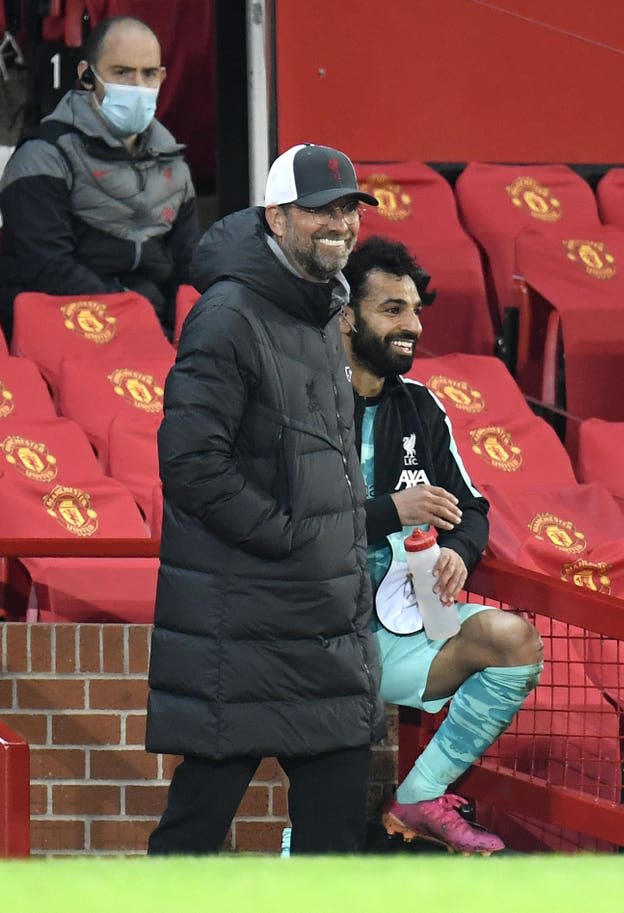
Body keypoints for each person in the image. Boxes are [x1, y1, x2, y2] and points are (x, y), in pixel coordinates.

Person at [145, 143, 386, 855]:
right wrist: (288, 535)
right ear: (277, 216)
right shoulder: (226, 315)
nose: (340, 223)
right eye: (321, 210)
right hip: (245, 624)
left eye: (348, 209)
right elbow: (190, 464)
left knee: (334, 841)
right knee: (194, 833)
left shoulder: (320, 310)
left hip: (321, 627)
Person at [340, 236, 544, 856]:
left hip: (407, 625)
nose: (412, 326)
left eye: (416, 311)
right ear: (348, 317)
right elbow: (289, 521)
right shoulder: (307, 404)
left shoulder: (421, 407)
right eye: (392, 310)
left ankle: (420, 795)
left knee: (516, 642)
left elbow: (473, 508)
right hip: (316, 631)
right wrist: (389, 512)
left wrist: (458, 550)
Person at [0, 15, 198, 342]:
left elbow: (188, 269)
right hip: (69, 332)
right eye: (121, 72)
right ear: (86, 76)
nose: (137, 87)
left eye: (148, 74)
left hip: (155, 335)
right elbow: (49, 271)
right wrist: (136, 320)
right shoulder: (42, 156)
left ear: (163, 77)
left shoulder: (174, 165)